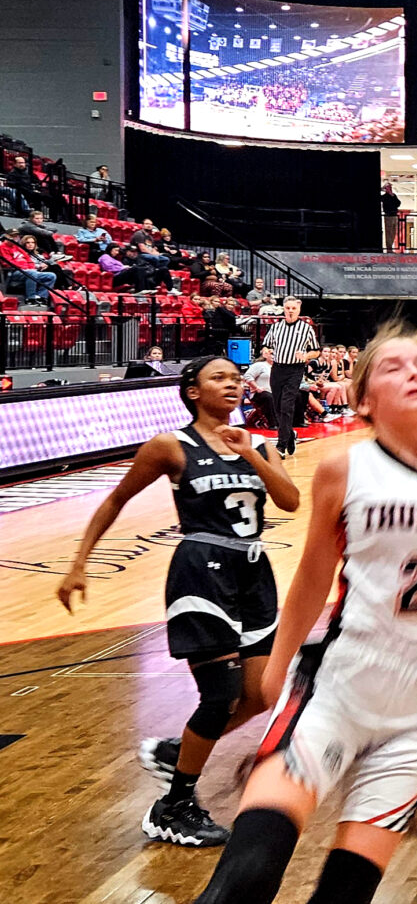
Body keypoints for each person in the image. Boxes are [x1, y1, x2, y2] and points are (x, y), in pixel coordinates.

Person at [192, 322, 417, 904]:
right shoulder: (342, 471)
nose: (414, 371)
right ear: (362, 399)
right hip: (338, 684)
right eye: (394, 367)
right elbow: (314, 578)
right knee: (244, 880)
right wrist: (277, 664)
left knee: (343, 895)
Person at [57, 356, 299, 846]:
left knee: (260, 695)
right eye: (219, 378)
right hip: (201, 571)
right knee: (220, 693)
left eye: (236, 379)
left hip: (254, 574)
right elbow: (115, 499)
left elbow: (291, 501)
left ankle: (177, 752)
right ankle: (174, 805)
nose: (233, 385)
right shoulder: (171, 445)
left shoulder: (261, 444)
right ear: (192, 390)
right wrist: (79, 563)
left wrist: (251, 454)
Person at [260, 296, 320, 457]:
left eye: (293, 308)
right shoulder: (276, 327)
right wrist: (266, 350)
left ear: (299, 310)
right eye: (288, 308)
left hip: (295, 369)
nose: (291, 311)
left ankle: (281, 445)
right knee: (278, 406)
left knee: (287, 406)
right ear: (284, 309)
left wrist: (306, 356)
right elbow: (266, 344)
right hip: (278, 369)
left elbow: (316, 350)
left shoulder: (306, 328)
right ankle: (289, 434)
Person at [0, 225, 57, 307]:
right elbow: (8, 262)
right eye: (12, 236)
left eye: (16, 236)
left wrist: (31, 267)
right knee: (31, 273)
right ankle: (30, 298)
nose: (15, 238)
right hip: (13, 272)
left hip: (27, 271)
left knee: (51, 276)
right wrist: (25, 267)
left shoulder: (17, 247)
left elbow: (29, 259)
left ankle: (41, 297)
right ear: (6, 236)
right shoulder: (2, 247)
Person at [243, 346, 277, 429]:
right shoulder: (260, 365)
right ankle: (273, 424)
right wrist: (256, 387)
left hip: (276, 392)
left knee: (296, 395)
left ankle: (295, 421)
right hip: (260, 393)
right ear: (266, 355)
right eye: (271, 354)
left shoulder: (279, 367)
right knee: (268, 397)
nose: (274, 356)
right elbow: (247, 376)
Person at [380, 181, 402, 253]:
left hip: (394, 215)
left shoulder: (393, 196)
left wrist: (392, 195)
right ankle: (389, 248)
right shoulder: (384, 197)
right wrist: (381, 189)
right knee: (388, 232)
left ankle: (391, 246)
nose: (390, 189)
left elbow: (398, 203)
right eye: (388, 188)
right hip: (388, 215)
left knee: (393, 232)